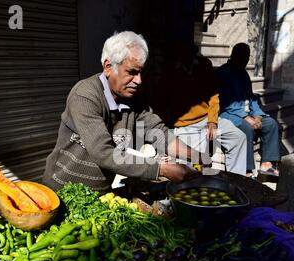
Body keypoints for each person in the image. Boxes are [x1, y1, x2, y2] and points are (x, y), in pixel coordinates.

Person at [43, 31, 205, 192]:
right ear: (108, 67)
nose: (139, 80)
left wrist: (196, 156)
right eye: (132, 72)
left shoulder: (133, 100)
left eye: (141, 72)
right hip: (62, 191)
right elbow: (103, 153)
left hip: (101, 193)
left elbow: (160, 134)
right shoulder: (85, 95)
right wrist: (161, 169)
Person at [155, 39, 247, 176]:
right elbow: (161, 102)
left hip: (206, 119)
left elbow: (214, 96)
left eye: (189, 50)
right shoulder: (169, 70)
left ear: (194, 51)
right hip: (184, 126)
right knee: (198, 165)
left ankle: (236, 180)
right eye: (181, 51)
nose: (185, 54)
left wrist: (212, 121)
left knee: (238, 137)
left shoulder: (204, 65)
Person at [216, 42, 280, 177]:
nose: (245, 60)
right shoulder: (223, 73)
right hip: (227, 113)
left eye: (247, 57)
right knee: (246, 128)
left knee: (271, 124)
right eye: (243, 57)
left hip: (246, 113)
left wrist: (257, 115)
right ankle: (246, 169)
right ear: (234, 56)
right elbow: (226, 102)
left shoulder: (244, 74)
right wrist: (245, 117)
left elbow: (251, 97)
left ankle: (266, 165)